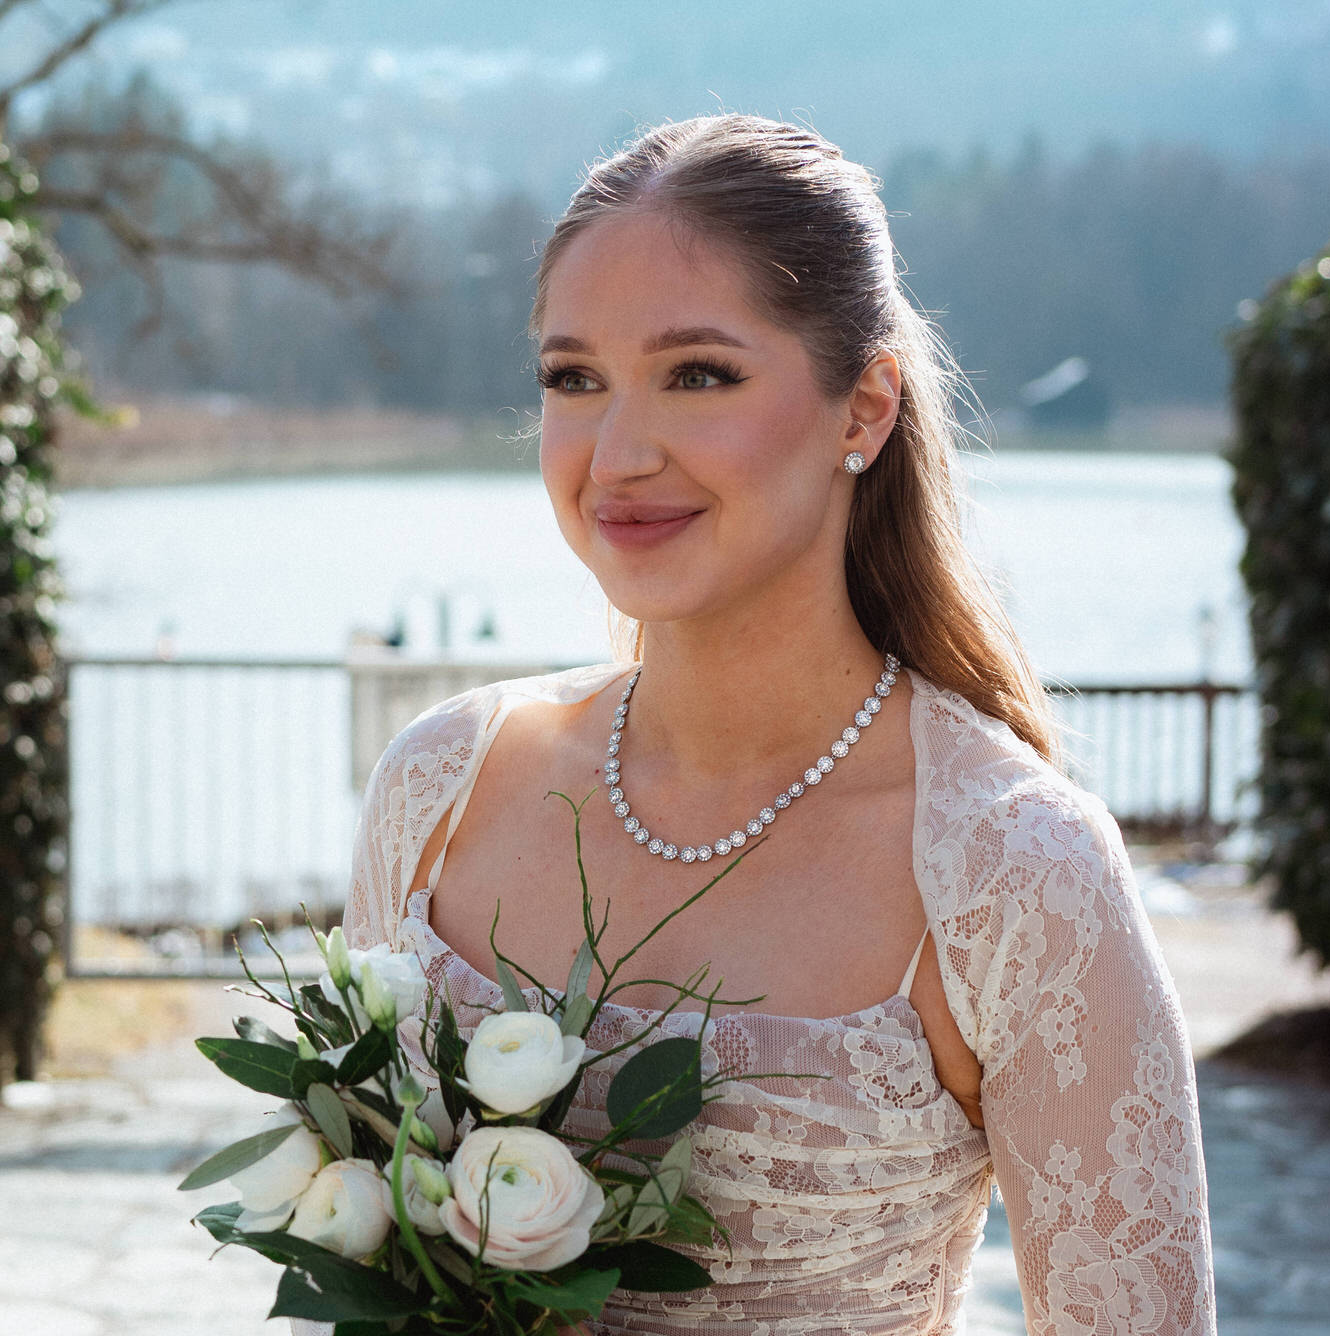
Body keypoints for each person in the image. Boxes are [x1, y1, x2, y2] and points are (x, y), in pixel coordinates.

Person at [314, 113, 1214, 1335]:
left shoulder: (1010, 870)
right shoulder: (442, 786)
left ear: (863, 410)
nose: (615, 455)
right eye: (573, 378)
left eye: (697, 374)